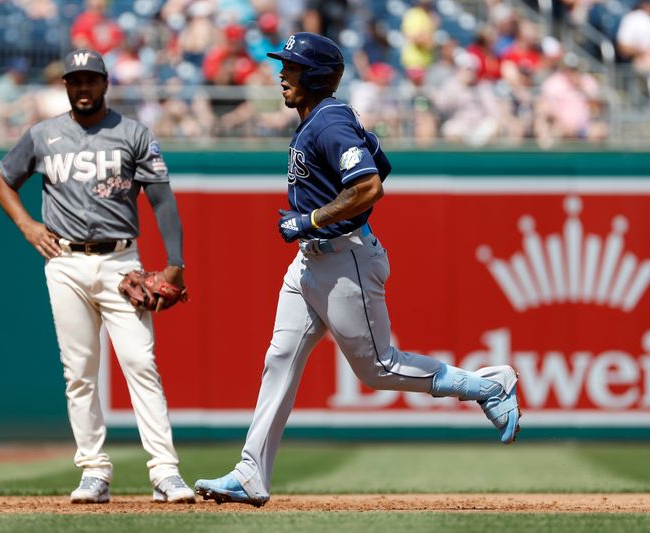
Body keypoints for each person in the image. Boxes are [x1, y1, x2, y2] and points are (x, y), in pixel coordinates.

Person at [194, 32, 521, 507]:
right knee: (278, 360)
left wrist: (313, 218)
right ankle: (250, 475)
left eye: (291, 67)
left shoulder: (329, 123)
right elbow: (380, 161)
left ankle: (489, 386)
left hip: (343, 256)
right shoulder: (325, 120)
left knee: (379, 368)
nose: (281, 75)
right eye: (283, 65)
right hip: (311, 260)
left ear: (316, 75)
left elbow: (369, 185)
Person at [0, 49, 195, 505]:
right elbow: (2, 178)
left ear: (105, 83)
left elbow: (162, 199)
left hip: (122, 262)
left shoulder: (133, 133)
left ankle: (165, 471)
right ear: (65, 85)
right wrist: (27, 225)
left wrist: (175, 262)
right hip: (64, 262)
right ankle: (94, 470)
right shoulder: (43, 134)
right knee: (79, 371)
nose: (83, 88)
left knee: (141, 363)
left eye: (91, 80)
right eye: (75, 81)